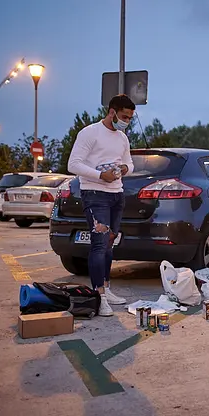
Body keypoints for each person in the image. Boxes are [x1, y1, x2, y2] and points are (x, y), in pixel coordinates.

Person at [67, 94, 135, 317]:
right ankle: (99, 296)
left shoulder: (122, 138)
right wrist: (99, 175)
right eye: (124, 116)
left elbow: (130, 163)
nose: (127, 121)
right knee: (98, 245)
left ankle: (106, 288)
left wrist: (124, 170)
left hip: (117, 195)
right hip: (95, 195)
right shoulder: (90, 133)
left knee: (109, 244)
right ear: (112, 111)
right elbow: (73, 164)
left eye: (130, 118)